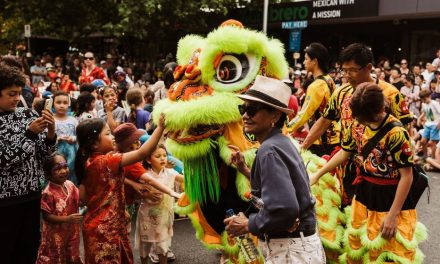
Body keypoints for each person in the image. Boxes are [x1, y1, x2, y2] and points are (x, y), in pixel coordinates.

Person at [311, 82, 424, 263]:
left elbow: (407, 176)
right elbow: (344, 152)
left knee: (390, 252)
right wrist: (317, 175)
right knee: (357, 248)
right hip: (364, 195)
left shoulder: (396, 133)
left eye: (365, 118)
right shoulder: (357, 125)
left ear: (381, 108)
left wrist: (393, 216)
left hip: (390, 198)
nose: (360, 121)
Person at [224, 75, 324, 263]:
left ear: (275, 116)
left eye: (252, 110)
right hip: (298, 247)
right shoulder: (280, 143)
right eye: (243, 109)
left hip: (290, 251)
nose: (245, 116)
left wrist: (248, 224)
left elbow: (285, 209)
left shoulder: (269, 150)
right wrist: (246, 170)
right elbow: (280, 188)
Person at [302, 43, 412, 206]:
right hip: (346, 165)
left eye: (352, 70)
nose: (347, 75)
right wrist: (303, 147)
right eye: (344, 70)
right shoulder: (341, 93)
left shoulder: (390, 93)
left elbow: (405, 130)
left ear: (368, 67)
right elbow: (325, 120)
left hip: (382, 176)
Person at [74, 114, 166, 264]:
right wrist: (160, 127)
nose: (113, 137)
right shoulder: (108, 160)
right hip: (107, 230)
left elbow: (83, 197)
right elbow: (142, 153)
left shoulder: (87, 162)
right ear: (95, 144)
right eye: (108, 133)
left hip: (94, 227)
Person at [0, 64, 56, 263]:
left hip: (31, 196)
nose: (17, 98)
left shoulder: (27, 115)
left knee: (29, 249)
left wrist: (50, 133)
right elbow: (5, 159)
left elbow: (44, 155)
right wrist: (30, 134)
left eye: (19, 93)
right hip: (5, 202)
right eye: (11, 94)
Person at [287, 42, 339, 156]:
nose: (304, 62)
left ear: (315, 61)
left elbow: (304, 114)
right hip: (335, 137)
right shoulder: (329, 79)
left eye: (306, 59)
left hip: (323, 140)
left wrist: (285, 129)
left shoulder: (316, 86)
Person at [135, 144, 184, 264]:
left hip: (165, 215)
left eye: (165, 155)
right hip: (146, 215)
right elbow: (136, 194)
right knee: (145, 245)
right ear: (148, 160)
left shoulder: (170, 172)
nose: (163, 158)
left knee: (163, 245)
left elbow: (185, 179)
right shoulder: (144, 175)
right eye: (158, 156)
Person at [36, 152, 83, 264]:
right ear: (48, 174)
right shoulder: (48, 193)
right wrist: (68, 219)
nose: (63, 171)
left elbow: (79, 201)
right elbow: (47, 216)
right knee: (56, 258)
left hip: (72, 232)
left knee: (72, 256)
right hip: (55, 236)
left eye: (65, 166)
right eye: (58, 168)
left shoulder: (70, 185)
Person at [53, 91, 79, 184]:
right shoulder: (51, 120)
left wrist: (72, 139)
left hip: (71, 154)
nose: (62, 105)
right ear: (53, 103)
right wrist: (56, 139)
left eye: (65, 103)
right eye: (58, 102)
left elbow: (79, 136)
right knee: (56, 172)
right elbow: (45, 137)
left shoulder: (73, 120)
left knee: (70, 173)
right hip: (55, 152)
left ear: (69, 104)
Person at [417, 89, 440, 158]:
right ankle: (425, 156)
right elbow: (424, 112)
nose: (423, 101)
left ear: (429, 96)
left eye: (424, 99)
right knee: (423, 141)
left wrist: (439, 124)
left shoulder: (435, 103)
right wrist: (419, 118)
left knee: (433, 143)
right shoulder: (424, 104)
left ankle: (433, 159)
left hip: (435, 125)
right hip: (428, 124)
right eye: (422, 100)